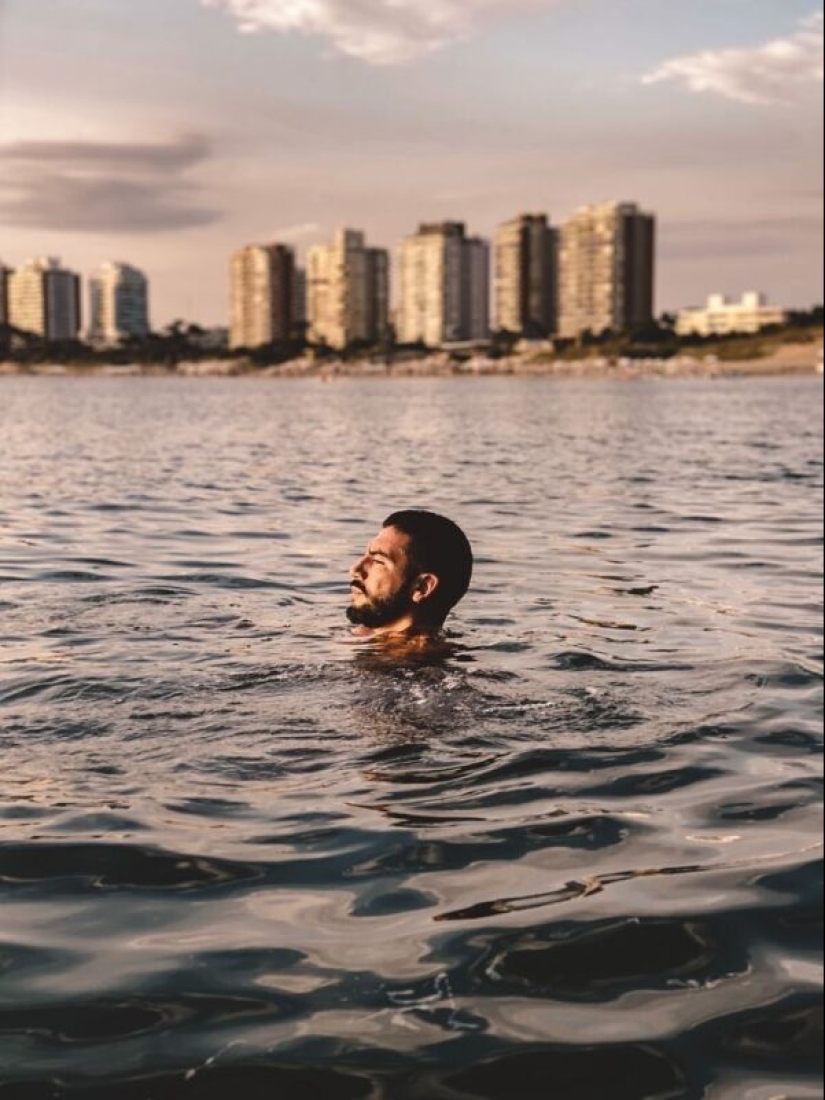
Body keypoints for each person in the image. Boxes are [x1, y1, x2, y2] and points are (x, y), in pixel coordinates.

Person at [348, 511, 473, 642]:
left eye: (378, 561)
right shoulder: (365, 635)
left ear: (422, 587)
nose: (354, 570)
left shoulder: (411, 654)